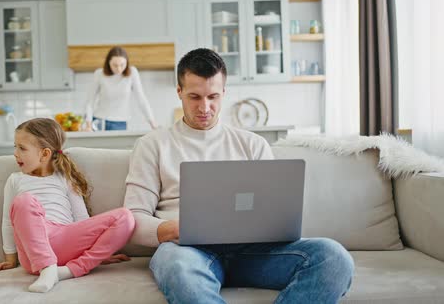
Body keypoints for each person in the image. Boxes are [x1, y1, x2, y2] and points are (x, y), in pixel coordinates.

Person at [124, 48, 354, 303]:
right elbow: (132, 221)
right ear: (179, 92)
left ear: (224, 93)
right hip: (187, 252)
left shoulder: (252, 144)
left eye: (213, 96)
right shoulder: (152, 144)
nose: (205, 107)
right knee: (178, 268)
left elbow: (275, 211)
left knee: (334, 258)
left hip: (253, 253)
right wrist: (174, 229)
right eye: (194, 97)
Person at [0, 118, 135, 293]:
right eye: (15, 146)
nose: (15, 153)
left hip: (64, 241)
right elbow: (8, 221)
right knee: (24, 201)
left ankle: (66, 271)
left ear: (45, 154)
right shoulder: (15, 180)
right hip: (32, 253)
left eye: (22, 148)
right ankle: (47, 267)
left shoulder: (64, 178)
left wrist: (100, 253)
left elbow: (82, 220)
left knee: (126, 217)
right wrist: (11, 259)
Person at [84, 46, 158, 131]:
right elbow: (90, 101)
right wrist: (88, 125)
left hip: (120, 123)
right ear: (108, 63)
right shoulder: (99, 74)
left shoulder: (132, 73)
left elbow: (141, 100)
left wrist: (153, 124)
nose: (119, 69)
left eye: (122, 65)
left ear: (127, 63)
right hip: (99, 121)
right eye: (115, 65)